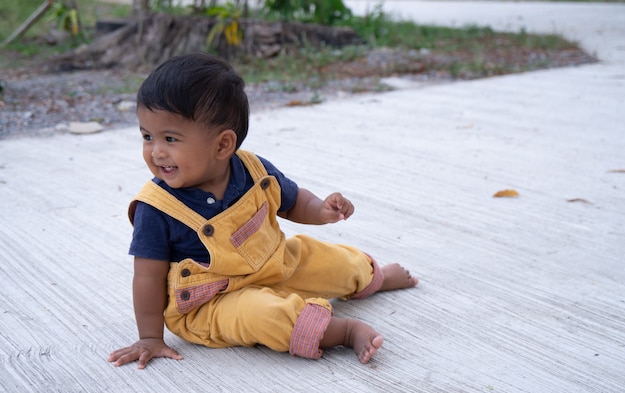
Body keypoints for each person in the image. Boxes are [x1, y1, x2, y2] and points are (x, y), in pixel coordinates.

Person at [108, 53, 418, 370]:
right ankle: (342, 331)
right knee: (264, 315)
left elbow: (293, 200)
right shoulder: (156, 207)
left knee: (327, 259)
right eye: (147, 136)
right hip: (211, 304)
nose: (156, 152)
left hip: (274, 264)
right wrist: (150, 337)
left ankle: (373, 277)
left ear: (222, 145)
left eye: (170, 138)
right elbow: (147, 275)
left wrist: (321, 210)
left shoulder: (252, 169)